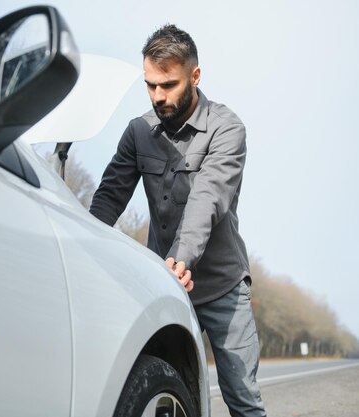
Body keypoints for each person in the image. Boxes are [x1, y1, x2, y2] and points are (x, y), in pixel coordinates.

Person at [89, 24, 266, 417]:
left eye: (167, 85)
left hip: (222, 289)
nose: (157, 96)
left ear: (195, 76)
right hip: (165, 286)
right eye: (150, 85)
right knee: (163, 387)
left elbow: (208, 199)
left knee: (242, 399)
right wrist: (86, 248)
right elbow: (108, 197)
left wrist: (182, 257)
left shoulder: (227, 128)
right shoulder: (137, 132)